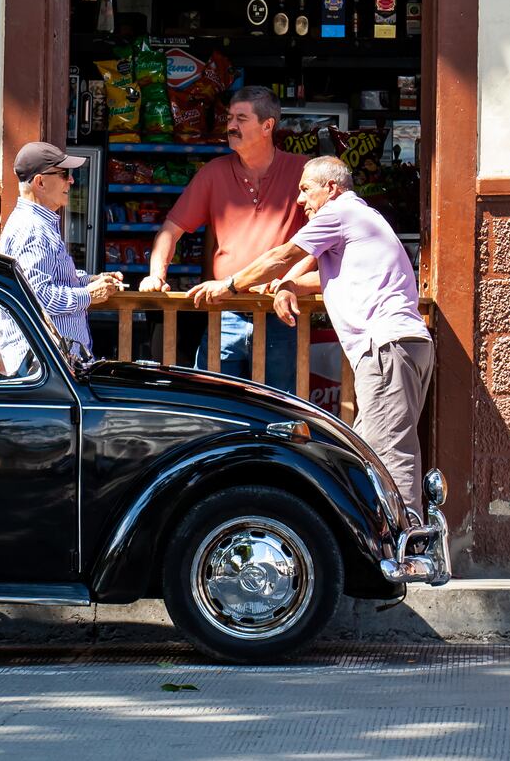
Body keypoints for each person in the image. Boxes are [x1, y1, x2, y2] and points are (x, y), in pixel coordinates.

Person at [191, 154, 433, 512]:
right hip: (401, 345)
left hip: (385, 347)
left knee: (389, 457)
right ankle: (386, 545)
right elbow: (323, 276)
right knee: (368, 454)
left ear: (331, 188)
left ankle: (408, 553)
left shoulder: (339, 212)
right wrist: (288, 286)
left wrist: (229, 284)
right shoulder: (363, 217)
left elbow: (283, 254)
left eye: (305, 190)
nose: (299, 199)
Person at [138, 87, 307, 390]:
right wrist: (155, 274)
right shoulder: (213, 172)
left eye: (241, 119)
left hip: (279, 314)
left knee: (280, 411)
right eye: (230, 117)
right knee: (214, 404)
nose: (231, 126)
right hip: (225, 311)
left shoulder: (302, 171)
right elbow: (170, 230)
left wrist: (290, 281)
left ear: (268, 126)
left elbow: (320, 244)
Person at [0, 140, 122, 359]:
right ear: (40, 182)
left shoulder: (35, 223)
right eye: (64, 174)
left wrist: (90, 280)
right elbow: (38, 296)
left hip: (47, 363)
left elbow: (50, 279)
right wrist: (88, 295)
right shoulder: (33, 229)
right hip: (44, 364)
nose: (72, 180)